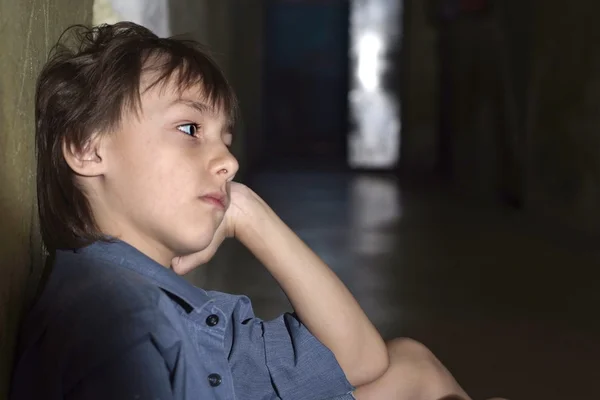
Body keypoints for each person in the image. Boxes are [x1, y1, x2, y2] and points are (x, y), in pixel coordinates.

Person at [10, 21, 479, 399]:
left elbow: (362, 360)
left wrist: (249, 213)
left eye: (226, 140)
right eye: (190, 128)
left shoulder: (154, 299)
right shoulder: (120, 326)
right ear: (88, 150)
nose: (229, 162)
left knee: (412, 365)